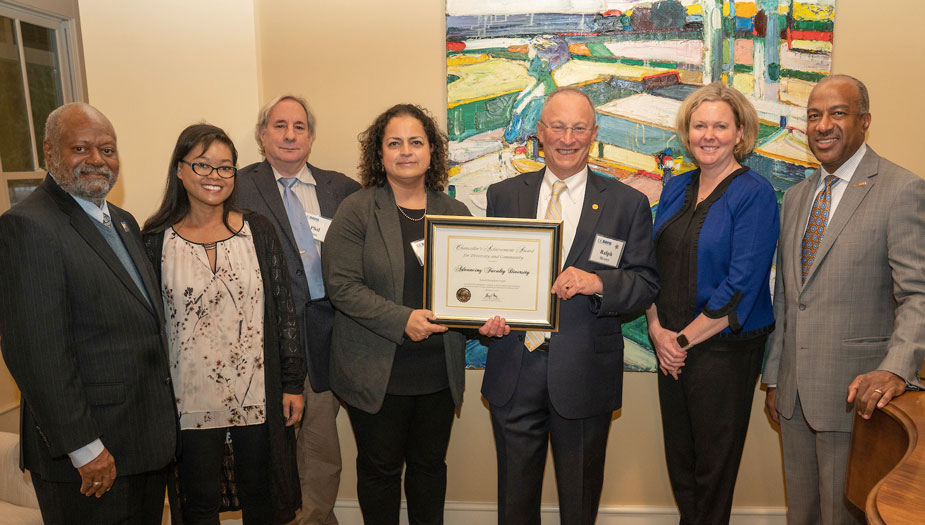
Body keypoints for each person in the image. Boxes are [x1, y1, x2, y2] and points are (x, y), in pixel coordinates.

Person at [322, 103, 507, 525]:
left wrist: (484, 322)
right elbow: (341, 286)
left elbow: (470, 291)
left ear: (431, 151)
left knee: (429, 471)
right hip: (375, 372)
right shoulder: (357, 209)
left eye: (416, 142)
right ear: (380, 154)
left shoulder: (455, 212)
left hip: (437, 373)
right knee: (380, 473)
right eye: (395, 143)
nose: (406, 151)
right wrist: (402, 320)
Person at [482, 87, 659, 524]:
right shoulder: (503, 195)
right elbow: (486, 274)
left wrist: (597, 282)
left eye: (579, 128)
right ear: (540, 132)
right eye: (558, 127)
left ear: (594, 133)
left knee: (579, 506)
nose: (567, 138)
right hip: (514, 369)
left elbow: (645, 284)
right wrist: (481, 317)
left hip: (585, 374)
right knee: (514, 506)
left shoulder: (628, 203)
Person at [0, 102, 178, 524]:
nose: (97, 159)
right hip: (88, 458)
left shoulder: (123, 222)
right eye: (80, 148)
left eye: (107, 149)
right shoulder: (28, 226)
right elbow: (36, 351)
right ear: (50, 152)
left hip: (141, 445)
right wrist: (84, 448)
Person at [763, 74, 925, 524]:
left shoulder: (901, 189)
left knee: (846, 516)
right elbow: (788, 297)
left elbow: (918, 294)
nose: (823, 125)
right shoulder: (796, 197)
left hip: (859, 399)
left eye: (838, 113)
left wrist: (896, 368)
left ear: (864, 121)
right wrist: (775, 377)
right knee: (802, 515)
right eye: (814, 115)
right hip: (794, 397)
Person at [142, 124, 305, 523]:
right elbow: (146, 326)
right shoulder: (156, 240)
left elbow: (284, 311)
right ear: (180, 169)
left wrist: (292, 383)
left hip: (257, 397)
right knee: (198, 505)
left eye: (225, 167)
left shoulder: (258, 231)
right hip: (188, 401)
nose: (214, 176)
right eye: (202, 165)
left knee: (262, 500)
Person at [645, 82, 779, 524]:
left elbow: (742, 284)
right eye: (699, 125)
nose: (708, 135)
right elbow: (650, 264)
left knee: (712, 471)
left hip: (723, 352)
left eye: (720, 126)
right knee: (680, 462)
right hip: (669, 346)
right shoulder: (676, 187)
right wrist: (657, 330)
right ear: (687, 133)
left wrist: (681, 341)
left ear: (740, 133)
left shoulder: (755, 193)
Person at [236, 95, 359, 525]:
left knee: (320, 446)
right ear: (261, 135)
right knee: (271, 449)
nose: (290, 135)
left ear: (311, 136)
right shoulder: (236, 186)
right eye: (280, 125)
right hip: (265, 341)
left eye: (299, 127)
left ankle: (316, 518)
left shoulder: (342, 189)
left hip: (329, 336)